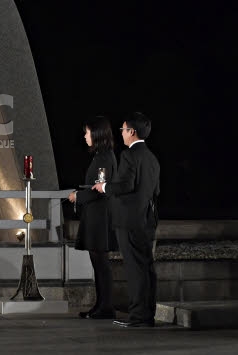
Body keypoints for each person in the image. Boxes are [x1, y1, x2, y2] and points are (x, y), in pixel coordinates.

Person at [93, 112, 160, 327]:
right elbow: (155, 190)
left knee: (135, 268)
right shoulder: (151, 157)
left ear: (132, 132)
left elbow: (125, 186)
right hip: (147, 219)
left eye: (123, 129)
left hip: (129, 221)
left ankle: (138, 316)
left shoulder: (129, 155)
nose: (121, 133)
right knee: (147, 266)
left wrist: (104, 187)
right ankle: (147, 314)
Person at [68, 116, 117, 319]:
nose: (85, 136)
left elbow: (100, 189)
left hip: (99, 217)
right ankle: (101, 305)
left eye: (87, 132)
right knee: (98, 262)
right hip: (96, 215)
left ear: (96, 134)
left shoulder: (104, 158)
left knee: (100, 262)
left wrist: (77, 197)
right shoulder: (101, 156)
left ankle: (105, 307)